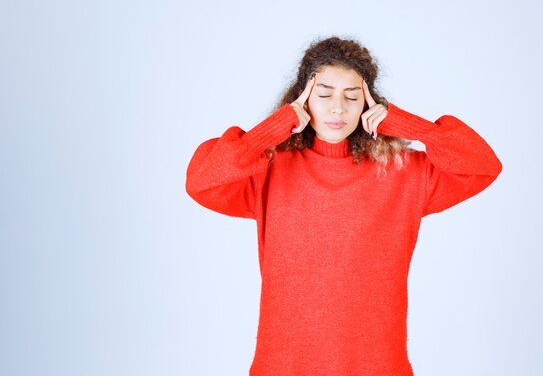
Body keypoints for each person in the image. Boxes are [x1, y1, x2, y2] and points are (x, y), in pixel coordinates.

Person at [185, 36, 503, 376]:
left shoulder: (401, 171)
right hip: (284, 365)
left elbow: (483, 165)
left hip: (378, 366)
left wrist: (409, 126)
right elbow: (201, 180)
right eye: (323, 95)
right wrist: (272, 130)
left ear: (368, 103)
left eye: (352, 97)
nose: (338, 108)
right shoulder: (269, 169)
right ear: (302, 100)